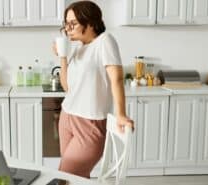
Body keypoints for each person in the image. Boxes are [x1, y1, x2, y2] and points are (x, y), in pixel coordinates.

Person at [52, 1, 134, 178]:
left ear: (90, 22)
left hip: (89, 124)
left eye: (72, 23)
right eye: (66, 24)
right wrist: (63, 57)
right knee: (75, 178)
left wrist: (120, 113)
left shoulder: (105, 41)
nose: (67, 28)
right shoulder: (80, 48)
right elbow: (68, 88)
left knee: (65, 177)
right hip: (67, 117)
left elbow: (117, 78)